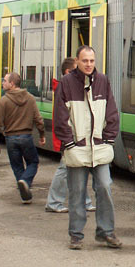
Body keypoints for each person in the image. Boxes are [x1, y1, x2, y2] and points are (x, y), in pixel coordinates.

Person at [53, 45, 121, 250]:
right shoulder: (65, 83)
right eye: (85, 61)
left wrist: (108, 139)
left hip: (99, 148)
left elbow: (112, 112)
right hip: (77, 149)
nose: (89, 64)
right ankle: (76, 235)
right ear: (77, 61)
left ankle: (106, 232)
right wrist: (70, 143)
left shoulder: (103, 81)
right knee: (77, 192)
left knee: (105, 188)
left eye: (92, 60)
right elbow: (60, 117)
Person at [45, 57, 95, 213]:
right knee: (66, 169)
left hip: (77, 136)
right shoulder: (65, 88)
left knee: (79, 168)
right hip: (70, 138)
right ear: (68, 72)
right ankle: (54, 202)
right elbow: (63, 117)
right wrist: (68, 139)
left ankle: (83, 202)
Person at [0, 72, 46, 204]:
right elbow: (38, 120)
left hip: (11, 139)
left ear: (12, 84)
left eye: (5, 81)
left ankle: (23, 186)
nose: (2, 82)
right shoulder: (30, 98)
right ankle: (25, 184)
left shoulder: (4, 101)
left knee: (17, 166)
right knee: (33, 162)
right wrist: (42, 135)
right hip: (26, 137)